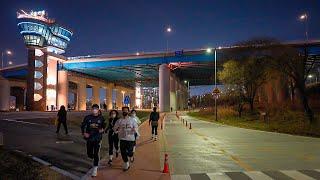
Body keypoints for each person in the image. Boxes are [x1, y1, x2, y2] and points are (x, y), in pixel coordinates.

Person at [81, 104, 106, 177]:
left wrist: (102, 129)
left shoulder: (101, 118)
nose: (94, 110)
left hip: (97, 138)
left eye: (96, 109)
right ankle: (94, 158)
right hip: (89, 138)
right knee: (89, 153)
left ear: (98, 110)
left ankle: (95, 169)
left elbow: (104, 125)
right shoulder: (87, 117)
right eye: (93, 109)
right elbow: (83, 126)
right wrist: (84, 133)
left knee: (96, 153)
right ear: (91, 110)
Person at [113, 107, 139, 171]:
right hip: (122, 139)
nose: (125, 112)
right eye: (123, 111)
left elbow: (136, 127)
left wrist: (134, 129)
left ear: (128, 111)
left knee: (129, 152)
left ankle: (131, 156)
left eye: (126, 111)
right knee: (123, 152)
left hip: (131, 139)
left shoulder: (132, 120)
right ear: (122, 112)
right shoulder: (119, 120)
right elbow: (115, 128)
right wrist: (116, 130)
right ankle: (126, 163)